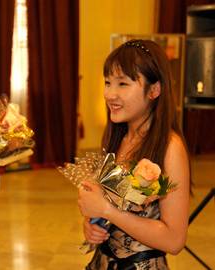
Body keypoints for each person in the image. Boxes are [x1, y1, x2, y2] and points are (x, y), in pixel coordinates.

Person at [77, 39, 190, 269]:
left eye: (123, 84)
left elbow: (175, 240)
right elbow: (108, 208)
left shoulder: (170, 147)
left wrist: (106, 210)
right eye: (108, 82)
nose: (110, 94)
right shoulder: (117, 138)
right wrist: (91, 224)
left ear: (154, 90)